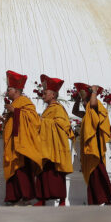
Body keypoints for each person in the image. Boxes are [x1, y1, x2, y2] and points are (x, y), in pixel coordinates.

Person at [0, 71, 42, 205]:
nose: (7, 92)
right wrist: (3, 118)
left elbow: (34, 119)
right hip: (13, 144)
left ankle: (28, 197)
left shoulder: (24, 101)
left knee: (21, 170)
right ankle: (14, 197)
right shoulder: (15, 103)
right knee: (13, 170)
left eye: (9, 89)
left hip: (21, 144)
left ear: (17, 91)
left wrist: (15, 111)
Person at [74, 82, 111, 206]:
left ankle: (107, 200)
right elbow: (75, 111)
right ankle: (96, 201)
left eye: (84, 100)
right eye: (82, 101)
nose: (83, 103)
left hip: (96, 148)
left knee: (98, 174)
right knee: (92, 176)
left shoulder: (96, 106)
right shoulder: (86, 113)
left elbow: (92, 103)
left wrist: (94, 91)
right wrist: (77, 99)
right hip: (89, 149)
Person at [36, 74, 73, 206]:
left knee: (55, 174)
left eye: (45, 93)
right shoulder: (48, 110)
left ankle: (62, 200)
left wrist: (43, 121)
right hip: (45, 146)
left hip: (55, 147)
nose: (43, 96)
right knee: (43, 173)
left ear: (53, 95)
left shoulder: (58, 109)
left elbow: (63, 125)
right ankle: (42, 199)